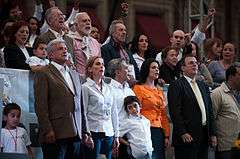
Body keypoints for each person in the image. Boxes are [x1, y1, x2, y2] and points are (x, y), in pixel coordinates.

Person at [34, 39, 92, 159]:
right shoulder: (43, 73)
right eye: (60, 49)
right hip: (56, 133)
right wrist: (47, 130)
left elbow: (81, 105)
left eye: (66, 48)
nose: (65, 51)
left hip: (76, 133)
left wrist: (85, 131)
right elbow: (40, 105)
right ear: (50, 55)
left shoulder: (75, 74)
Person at [167, 54, 217, 159]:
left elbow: (209, 111)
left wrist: (212, 133)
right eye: (191, 63)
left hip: (203, 135)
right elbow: (175, 112)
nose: (194, 65)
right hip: (187, 138)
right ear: (183, 68)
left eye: (196, 63)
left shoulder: (202, 85)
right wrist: (183, 132)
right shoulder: (176, 85)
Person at [82, 56, 119, 159]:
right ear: (90, 69)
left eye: (102, 64)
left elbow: (114, 113)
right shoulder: (86, 87)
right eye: (98, 64)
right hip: (93, 131)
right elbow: (83, 112)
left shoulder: (110, 88)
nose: (101, 66)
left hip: (109, 132)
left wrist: (116, 135)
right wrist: (87, 133)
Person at [133, 58, 170, 159]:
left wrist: (166, 135)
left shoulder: (159, 91)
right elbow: (135, 112)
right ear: (146, 69)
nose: (157, 70)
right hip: (145, 129)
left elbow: (163, 114)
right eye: (153, 67)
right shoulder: (138, 88)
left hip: (159, 130)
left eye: (158, 68)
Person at [211, 63, 240, 159]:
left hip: (238, 144)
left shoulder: (238, 93)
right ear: (231, 77)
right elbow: (212, 118)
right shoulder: (217, 93)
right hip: (225, 146)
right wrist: (213, 136)